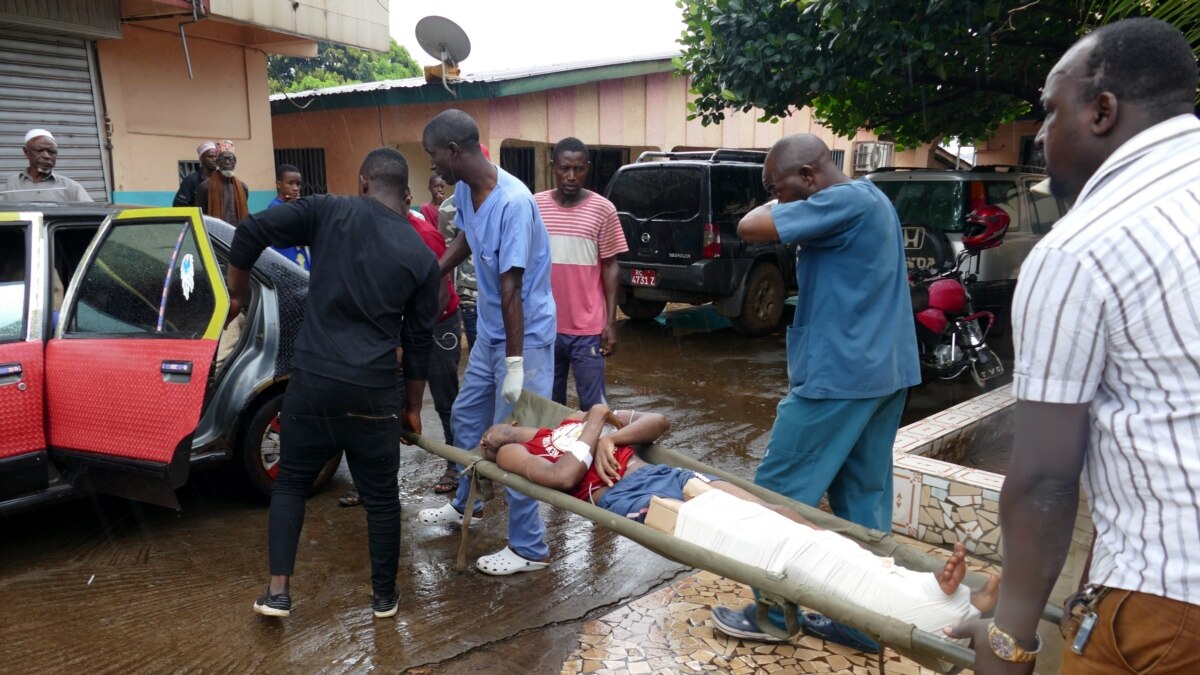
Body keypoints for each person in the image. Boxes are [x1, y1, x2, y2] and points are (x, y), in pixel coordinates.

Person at [946, 19, 1200, 674]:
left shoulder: (1083, 248)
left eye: (1050, 112)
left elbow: (1044, 480)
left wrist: (1010, 640)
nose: (1041, 138)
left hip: (1168, 604)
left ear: (1102, 110)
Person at [480, 403, 1001, 638]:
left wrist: (613, 433)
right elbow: (565, 473)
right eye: (500, 429)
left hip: (668, 480)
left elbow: (659, 420)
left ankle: (917, 583)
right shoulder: (519, 452)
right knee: (772, 547)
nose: (506, 427)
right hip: (638, 504)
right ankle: (923, 609)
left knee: (790, 522)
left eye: (508, 422)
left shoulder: (572, 423)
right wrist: (596, 417)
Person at [710, 133, 920, 648]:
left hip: (838, 377)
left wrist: (776, 201)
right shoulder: (871, 198)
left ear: (808, 177)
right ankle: (865, 622)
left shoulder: (840, 199)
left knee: (777, 494)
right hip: (882, 372)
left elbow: (748, 226)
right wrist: (782, 191)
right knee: (862, 502)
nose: (774, 197)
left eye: (776, 186)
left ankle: (773, 617)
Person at [227, 147, 440, 620]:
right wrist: (411, 408)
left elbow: (250, 231)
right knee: (382, 499)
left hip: (313, 383)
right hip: (375, 393)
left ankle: (278, 592)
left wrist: (238, 294)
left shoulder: (327, 210)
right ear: (405, 194)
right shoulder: (421, 256)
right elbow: (418, 341)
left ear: (363, 181)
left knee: (291, 486)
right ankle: (384, 598)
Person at [416, 110, 559, 576]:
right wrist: (433, 270)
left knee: (513, 442)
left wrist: (515, 365)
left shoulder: (514, 203)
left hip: (526, 337)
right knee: (465, 416)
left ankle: (529, 548)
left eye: (435, 156)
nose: (433, 167)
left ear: (455, 152)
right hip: (493, 333)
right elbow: (465, 238)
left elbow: (512, 289)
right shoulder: (464, 189)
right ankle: (468, 504)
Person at [339, 182, 464, 506]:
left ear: (405, 198)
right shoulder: (368, 231)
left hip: (437, 323)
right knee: (386, 404)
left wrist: (412, 340)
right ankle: (378, 483)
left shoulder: (423, 234)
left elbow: (439, 290)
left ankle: (456, 467)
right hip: (397, 327)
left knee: (445, 398)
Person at [535, 137, 627, 409]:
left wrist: (610, 323)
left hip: (588, 329)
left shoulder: (603, 210)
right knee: (550, 408)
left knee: (595, 407)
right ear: (554, 167)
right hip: (544, 326)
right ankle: (556, 453)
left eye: (578, 169)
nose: (571, 176)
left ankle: (599, 452)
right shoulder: (534, 206)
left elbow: (611, 265)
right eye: (565, 168)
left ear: (587, 168)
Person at [2, 129, 93, 202]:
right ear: (26, 152)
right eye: (39, 151)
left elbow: (93, 217)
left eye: (51, 152)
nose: (46, 156)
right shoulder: (12, 183)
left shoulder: (71, 187)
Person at [266, 164, 310, 270]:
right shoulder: (275, 208)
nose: (295, 188)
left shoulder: (296, 205)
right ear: (278, 184)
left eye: (298, 184)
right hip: (285, 264)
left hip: (302, 260)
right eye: (290, 183)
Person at [196, 140, 249, 225]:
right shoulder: (205, 187)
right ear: (217, 162)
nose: (227, 162)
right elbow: (200, 216)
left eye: (231, 159)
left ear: (235, 162)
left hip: (237, 234)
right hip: (214, 234)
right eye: (223, 159)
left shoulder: (243, 187)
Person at [173, 141, 218, 207]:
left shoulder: (222, 179)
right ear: (201, 159)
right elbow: (179, 206)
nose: (215, 159)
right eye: (211, 157)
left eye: (216, 156)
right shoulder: (191, 181)